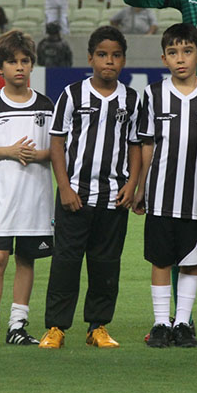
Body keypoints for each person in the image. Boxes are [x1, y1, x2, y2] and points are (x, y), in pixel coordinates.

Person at [39, 26, 141, 349]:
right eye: (102, 55)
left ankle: (98, 326)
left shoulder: (131, 98)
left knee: (106, 264)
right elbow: (57, 142)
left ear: (123, 60)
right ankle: (56, 327)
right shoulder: (72, 94)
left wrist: (133, 185)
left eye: (115, 55)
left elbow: (136, 144)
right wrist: (64, 187)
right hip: (75, 196)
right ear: (90, 58)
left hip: (114, 197)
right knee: (66, 262)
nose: (108, 61)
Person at [0, 31, 54, 348]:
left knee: (27, 259)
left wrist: (39, 155)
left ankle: (17, 324)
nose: (19, 67)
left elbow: (57, 151)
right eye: (12, 62)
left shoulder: (46, 105)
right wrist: (9, 151)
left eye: (25, 61)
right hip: (2, 199)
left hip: (35, 199)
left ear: (32, 65)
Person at [133, 23, 197, 349]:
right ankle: (161, 322)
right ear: (164, 58)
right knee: (161, 260)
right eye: (173, 53)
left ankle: (183, 322)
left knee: (191, 260)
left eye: (187, 51)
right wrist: (140, 187)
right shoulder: (153, 94)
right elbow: (146, 145)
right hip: (161, 193)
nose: (181, 59)